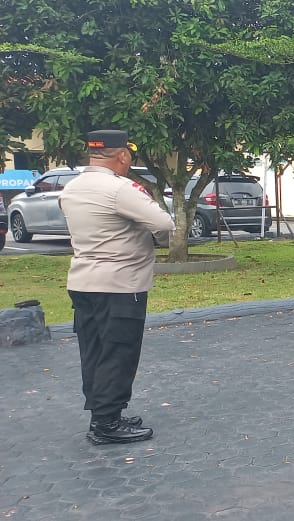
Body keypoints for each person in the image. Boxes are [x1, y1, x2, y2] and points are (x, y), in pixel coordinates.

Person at [59, 130, 175, 444]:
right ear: (122, 155)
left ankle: (102, 414)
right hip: (120, 284)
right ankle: (107, 425)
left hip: (83, 282)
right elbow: (164, 224)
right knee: (119, 352)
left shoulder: (72, 188)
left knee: (94, 351)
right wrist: (154, 238)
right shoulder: (119, 189)